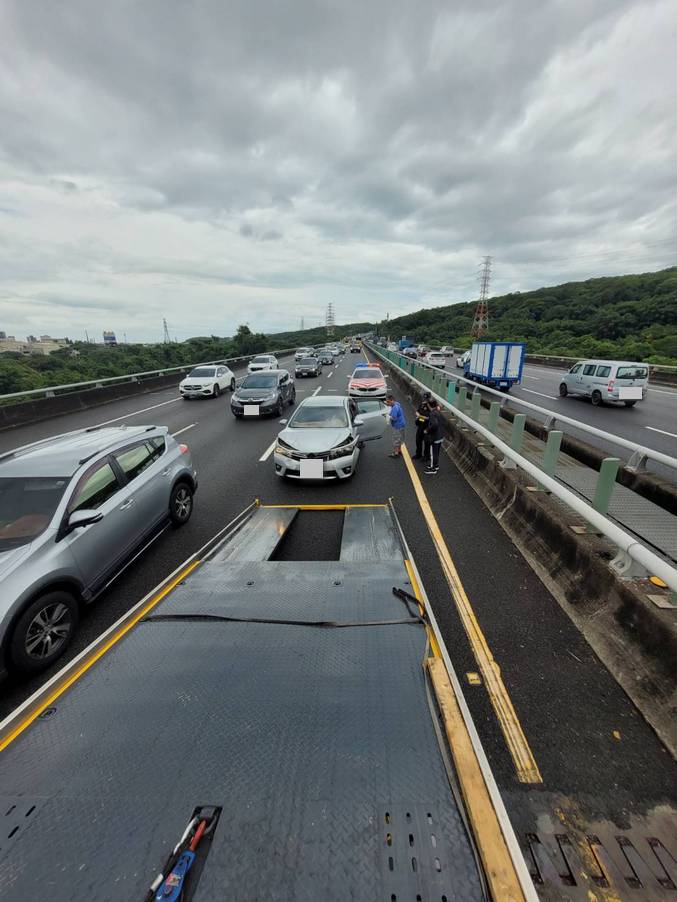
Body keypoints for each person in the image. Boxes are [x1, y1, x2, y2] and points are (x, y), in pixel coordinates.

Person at [424, 398, 443, 475]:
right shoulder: (437, 411)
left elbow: (434, 424)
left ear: (429, 405)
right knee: (437, 452)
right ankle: (436, 465)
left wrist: (427, 430)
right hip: (440, 435)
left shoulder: (432, 413)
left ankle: (433, 468)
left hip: (435, 437)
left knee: (433, 453)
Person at [385, 393, 406, 458]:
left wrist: (387, 416)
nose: (387, 403)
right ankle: (399, 451)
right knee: (400, 439)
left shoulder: (394, 408)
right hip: (402, 424)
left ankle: (396, 453)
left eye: (388, 402)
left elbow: (394, 418)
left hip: (397, 426)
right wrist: (386, 403)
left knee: (396, 439)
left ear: (392, 400)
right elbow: (390, 404)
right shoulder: (397, 404)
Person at [412, 392, 432, 460]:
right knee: (418, 440)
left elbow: (428, 418)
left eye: (426, 398)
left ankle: (426, 456)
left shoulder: (430, 406)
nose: (425, 400)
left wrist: (420, 416)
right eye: (424, 398)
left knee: (427, 442)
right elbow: (417, 411)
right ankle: (418, 454)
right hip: (420, 424)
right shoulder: (422, 404)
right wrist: (417, 414)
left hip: (427, 426)